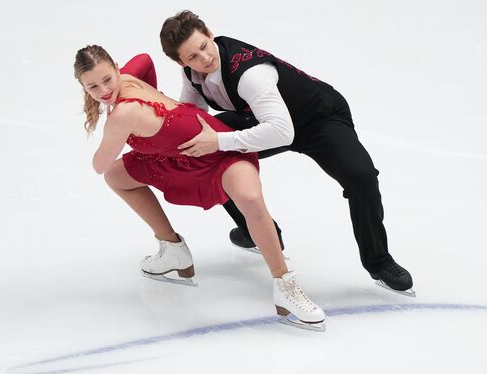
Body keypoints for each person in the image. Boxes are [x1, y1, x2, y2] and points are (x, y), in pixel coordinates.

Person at [159, 10, 415, 296]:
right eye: (193, 57)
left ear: (209, 34)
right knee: (204, 155)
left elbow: (282, 132)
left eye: (204, 47)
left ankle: (379, 261)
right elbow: (192, 116)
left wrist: (219, 141)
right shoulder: (191, 73)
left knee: (362, 177)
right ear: (181, 61)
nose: (204, 59)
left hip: (318, 119)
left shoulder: (250, 75)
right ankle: (258, 230)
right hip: (260, 119)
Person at [73, 45, 326, 330]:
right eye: (92, 86)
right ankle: (172, 248)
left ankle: (285, 286)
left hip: (218, 148)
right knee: (118, 177)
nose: (104, 90)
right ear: (82, 86)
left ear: (117, 68)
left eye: (107, 79)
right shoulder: (128, 79)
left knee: (251, 200)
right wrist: (153, 129)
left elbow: (99, 163)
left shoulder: (122, 114)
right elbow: (144, 60)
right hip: (180, 158)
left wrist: (117, 121)